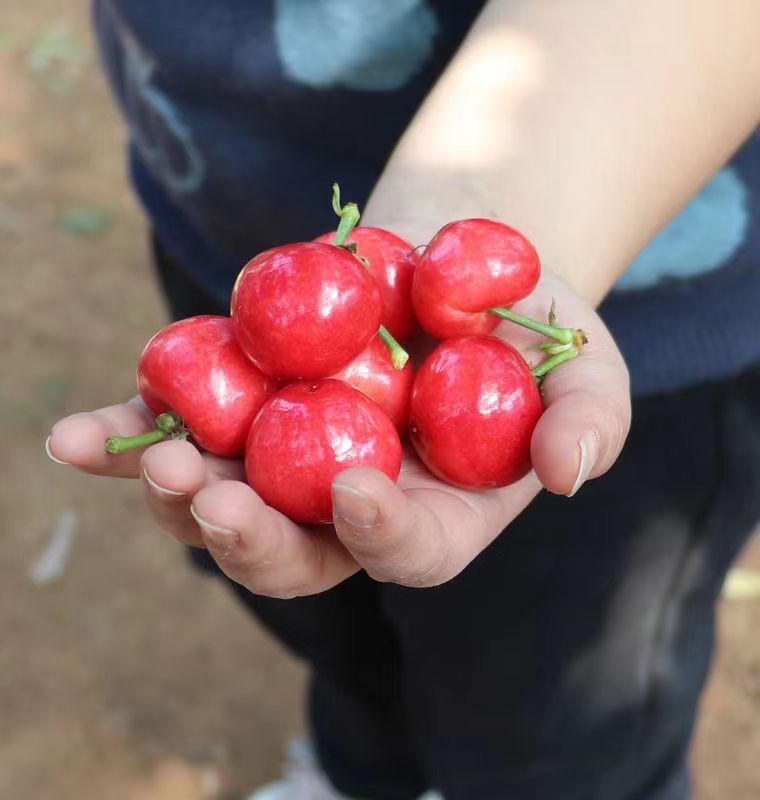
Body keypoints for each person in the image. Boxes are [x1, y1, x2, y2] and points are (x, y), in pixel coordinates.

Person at [46, 1, 760, 798]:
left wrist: (491, 191)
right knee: (336, 630)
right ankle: (361, 775)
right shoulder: (276, 351)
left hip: (650, 308)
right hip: (217, 212)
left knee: (558, 716)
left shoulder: (472, 335)